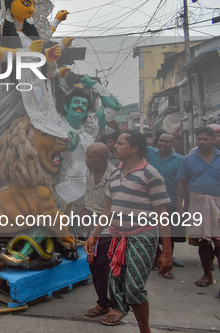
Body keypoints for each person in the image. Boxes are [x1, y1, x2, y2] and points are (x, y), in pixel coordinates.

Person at [85, 131, 172, 331]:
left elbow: (163, 217)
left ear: (134, 148)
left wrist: (167, 252)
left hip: (142, 236)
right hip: (118, 236)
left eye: (121, 143)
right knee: (118, 286)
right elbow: (108, 211)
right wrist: (94, 235)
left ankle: (145, 331)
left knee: (134, 288)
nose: (116, 146)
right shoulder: (116, 173)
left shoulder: (151, 174)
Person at [176, 126, 220, 289]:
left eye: (205, 139)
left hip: (218, 203)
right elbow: (181, 183)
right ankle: (207, 274)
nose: (202, 142)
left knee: (218, 241)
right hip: (197, 202)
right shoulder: (188, 159)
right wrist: (180, 206)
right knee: (203, 241)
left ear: (213, 140)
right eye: (199, 139)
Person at [81, 143, 118, 323]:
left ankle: (114, 306)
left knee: (106, 267)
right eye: (86, 156)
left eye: (91, 157)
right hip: (90, 223)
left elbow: (111, 209)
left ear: (104, 158)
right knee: (93, 265)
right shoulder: (89, 171)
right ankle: (103, 302)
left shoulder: (115, 176)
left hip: (108, 228)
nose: (87, 160)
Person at [147, 133, 185, 277]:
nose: (163, 143)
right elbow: (134, 142)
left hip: (171, 202)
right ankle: (157, 257)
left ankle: (167, 260)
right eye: (161, 140)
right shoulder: (151, 152)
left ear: (173, 143)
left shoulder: (181, 160)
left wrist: (181, 205)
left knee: (169, 235)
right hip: (151, 202)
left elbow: (183, 183)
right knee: (153, 232)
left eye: (167, 141)